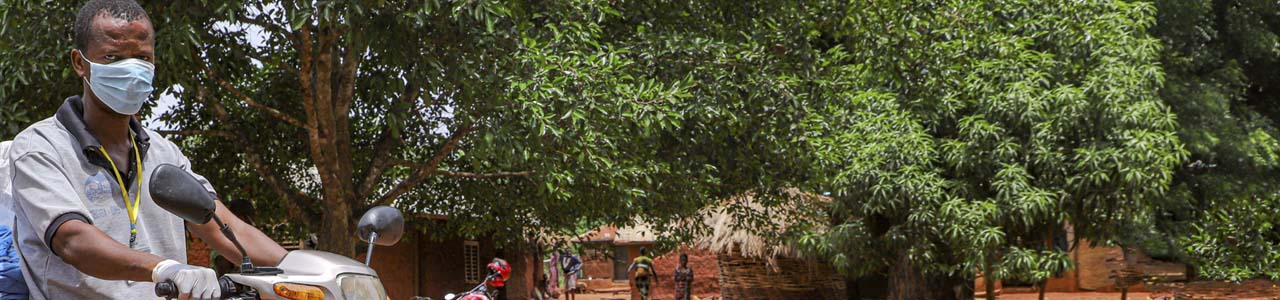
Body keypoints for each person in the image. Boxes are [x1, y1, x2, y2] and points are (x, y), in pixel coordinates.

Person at [5, 1, 288, 299]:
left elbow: (223, 227)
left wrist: (305, 267)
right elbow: (72, 241)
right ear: (80, 62)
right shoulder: (39, 148)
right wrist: (164, 268)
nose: (130, 70)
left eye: (142, 58)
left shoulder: (166, 154)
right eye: (112, 57)